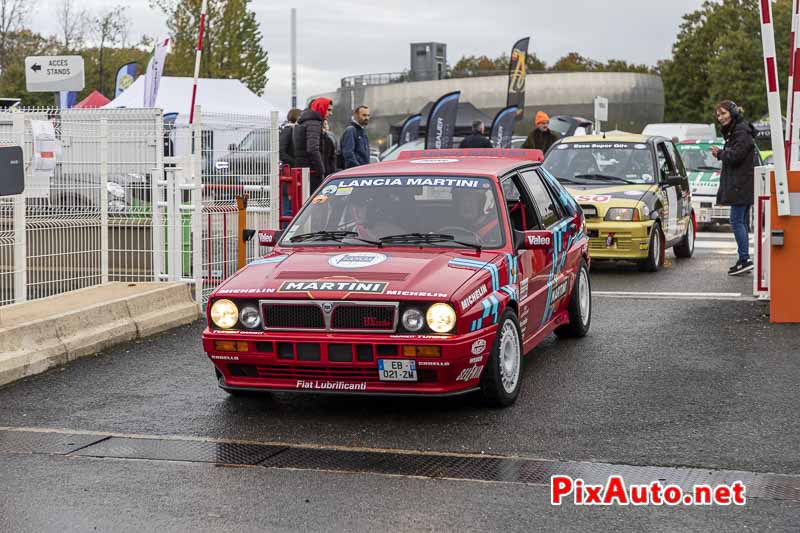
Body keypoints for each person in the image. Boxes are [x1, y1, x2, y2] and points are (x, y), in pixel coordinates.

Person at [711, 100, 757, 276]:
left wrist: (720, 153)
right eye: (718, 115)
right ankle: (743, 259)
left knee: (736, 221)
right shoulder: (738, 130)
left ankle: (744, 259)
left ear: (732, 113)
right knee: (742, 222)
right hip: (743, 183)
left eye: (723, 113)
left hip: (741, 184)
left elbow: (736, 156)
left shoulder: (740, 132)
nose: (720, 117)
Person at [294, 97, 332, 192]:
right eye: (328, 109)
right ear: (321, 108)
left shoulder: (307, 122)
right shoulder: (314, 123)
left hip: (305, 169)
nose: (330, 113)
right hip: (312, 172)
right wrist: (321, 170)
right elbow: (313, 148)